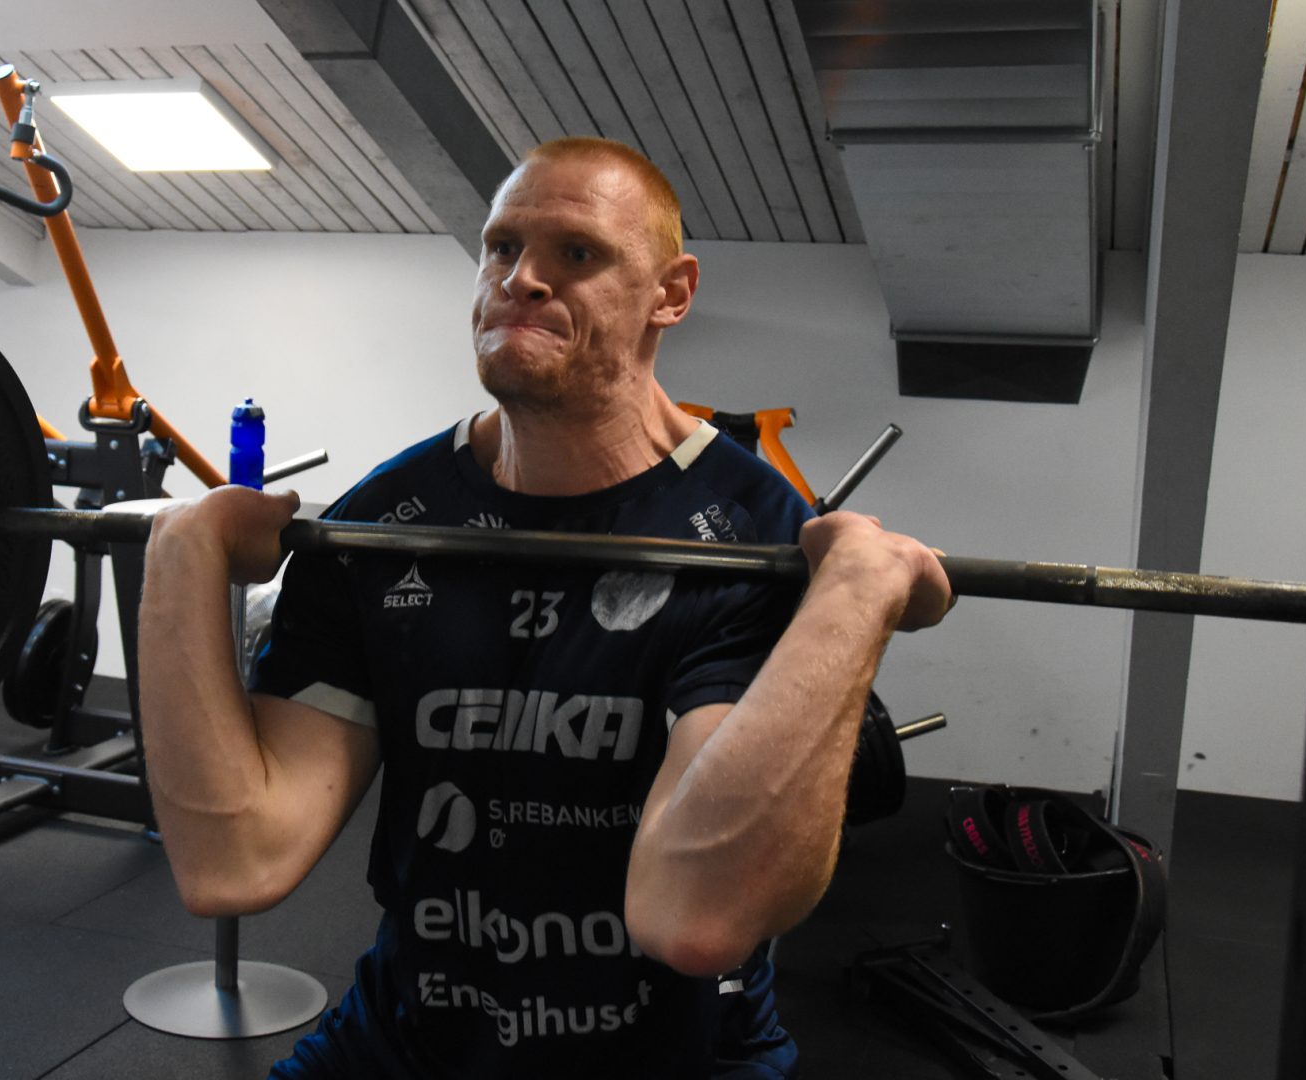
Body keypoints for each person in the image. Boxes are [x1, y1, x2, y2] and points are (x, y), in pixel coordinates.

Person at [138, 136, 951, 1078]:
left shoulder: (750, 536)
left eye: (576, 252)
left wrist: (856, 595)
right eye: (502, 247)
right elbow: (235, 859)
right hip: (409, 1036)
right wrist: (182, 550)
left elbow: (697, 919)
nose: (520, 278)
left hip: (671, 1057)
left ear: (671, 294)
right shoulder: (387, 519)